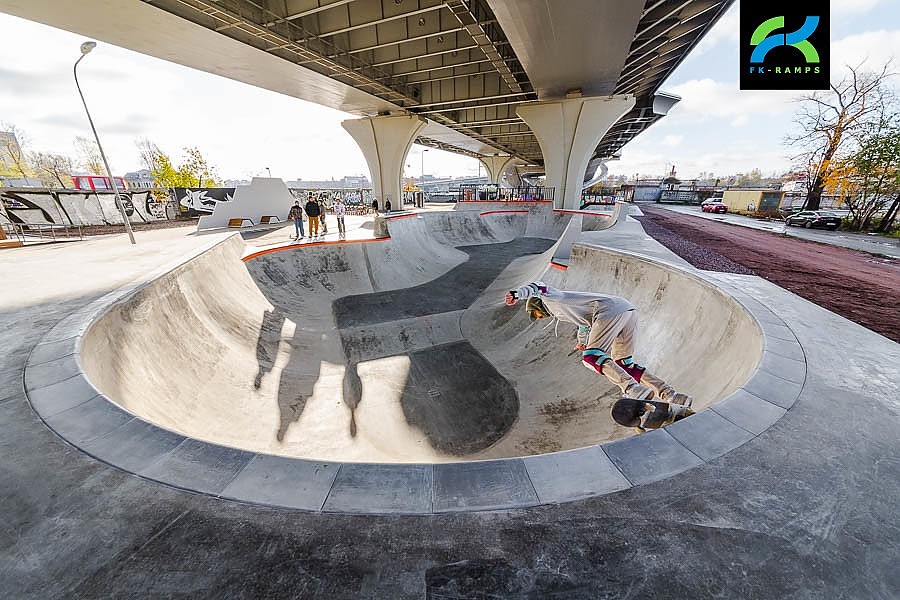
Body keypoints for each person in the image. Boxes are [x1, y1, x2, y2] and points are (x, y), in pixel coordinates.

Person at [504, 281, 692, 406]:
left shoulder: (552, 298)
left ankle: (632, 388)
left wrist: (518, 294)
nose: (539, 318)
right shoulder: (563, 312)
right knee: (624, 364)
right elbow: (584, 325)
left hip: (608, 311)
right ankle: (671, 395)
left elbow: (539, 286)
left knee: (591, 358)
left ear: (537, 306)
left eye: (536, 315)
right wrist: (582, 343)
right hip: (627, 311)